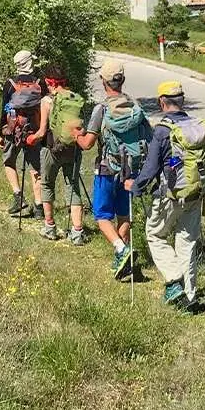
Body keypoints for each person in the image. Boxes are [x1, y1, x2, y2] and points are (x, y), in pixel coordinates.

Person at [127, 80, 205, 310]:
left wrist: (135, 187)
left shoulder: (163, 130)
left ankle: (174, 280)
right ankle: (189, 298)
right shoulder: (198, 125)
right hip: (196, 193)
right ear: (182, 101)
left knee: (155, 235)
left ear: (162, 102)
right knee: (186, 243)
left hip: (170, 194)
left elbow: (150, 168)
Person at [78, 59, 146, 278]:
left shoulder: (102, 109)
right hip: (130, 170)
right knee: (123, 214)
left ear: (103, 81)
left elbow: (87, 144)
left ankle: (121, 249)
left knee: (101, 215)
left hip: (107, 168)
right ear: (122, 80)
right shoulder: (135, 108)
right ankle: (122, 259)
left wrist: (76, 135)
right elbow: (148, 137)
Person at [35, 67, 92, 245]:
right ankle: (77, 232)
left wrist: (30, 139)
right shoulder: (76, 98)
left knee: (47, 184)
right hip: (73, 149)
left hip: (52, 149)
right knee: (73, 187)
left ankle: (49, 227)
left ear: (50, 82)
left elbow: (42, 131)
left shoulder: (47, 101)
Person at [0, 50, 44, 218]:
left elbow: (5, 109)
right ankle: (39, 206)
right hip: (34, 130)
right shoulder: (40, 83)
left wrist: (1, 134)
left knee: (9, 161)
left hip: (13, 129)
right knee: (35, 167)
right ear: (30, 63)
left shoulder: (10, 83)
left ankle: (18, 196)